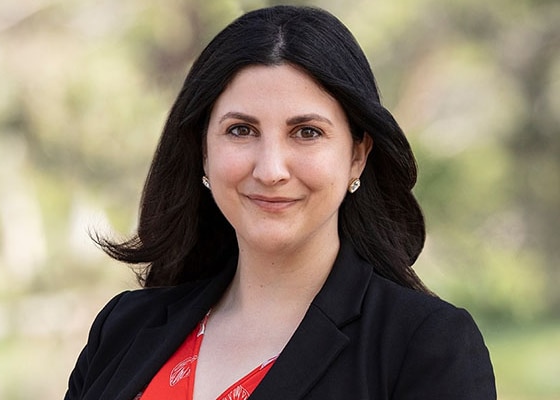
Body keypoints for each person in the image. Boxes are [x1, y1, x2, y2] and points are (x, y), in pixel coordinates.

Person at [65, 5, 496, 400]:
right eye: (241, 130)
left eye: (306, 132)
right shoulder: (123, 328)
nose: (271, 170)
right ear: (203, 151)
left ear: (357, 155)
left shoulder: (425, 345)